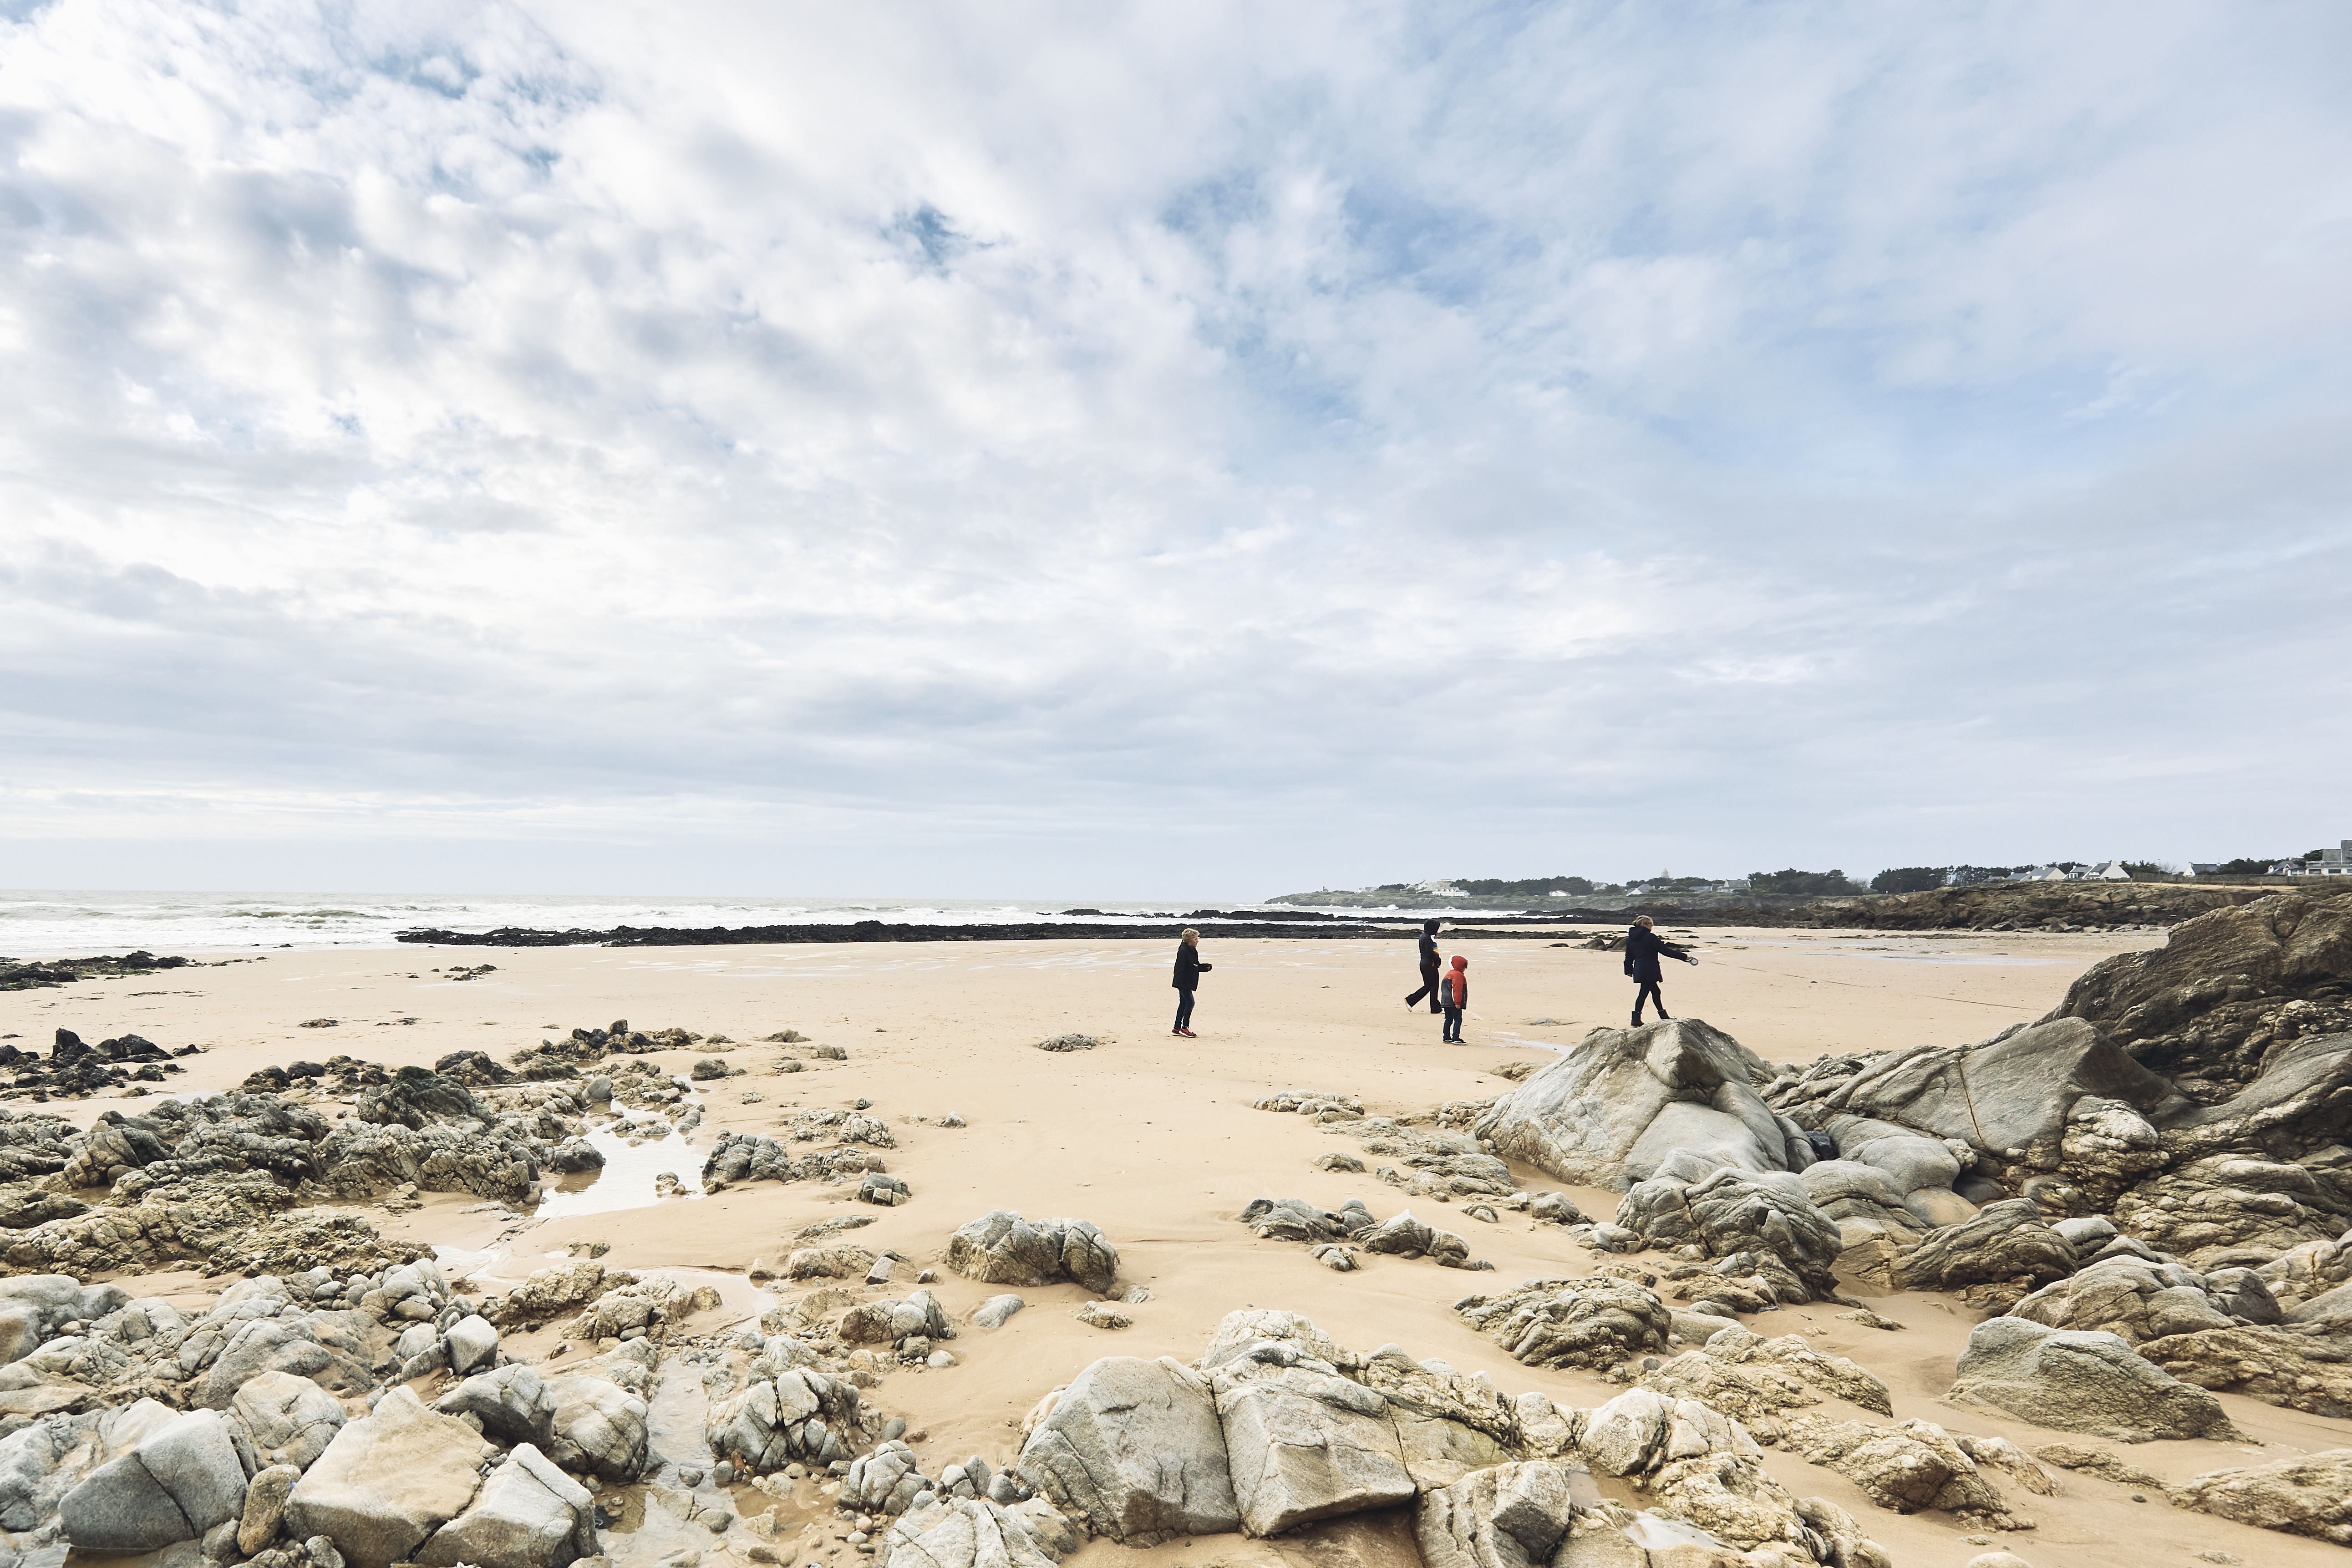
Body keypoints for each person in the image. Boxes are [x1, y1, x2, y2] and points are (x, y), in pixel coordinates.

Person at [1624, 914, 1697, 1025]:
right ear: (1643, 924)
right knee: (1644, 993)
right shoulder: (1650, 937)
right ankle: (1636, 1019)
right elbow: (1666, 951)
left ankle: (1662, 1017)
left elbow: (1629, 957)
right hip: (1650, 968)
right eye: (1650, 924)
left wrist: (1629, 970)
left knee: (1655, 992)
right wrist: (1685, 957)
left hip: (1640, 968)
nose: (1652, 927)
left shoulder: (1631, 939)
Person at [1172, 928, 1212, 1037]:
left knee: (1184, 1003)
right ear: (1189, 940)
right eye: (1195, 939)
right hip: (1183, 982)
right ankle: (1185, 1027)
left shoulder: (1192, 950)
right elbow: (1179, 969)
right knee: (1190, 1003)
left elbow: (1193, 966)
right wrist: (1180, 983)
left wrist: (1205, 968)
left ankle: (1177, 1028)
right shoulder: (1184, 951)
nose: (1197, 941)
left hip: (1187, 981)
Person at [1403, 918, 1444, 1011]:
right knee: (1434, 986)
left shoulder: (1425, 936)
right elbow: (1430, 952)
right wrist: (1438, 960)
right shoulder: (1427, 938)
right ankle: (1435, 1008)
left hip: (1425, 965)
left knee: (1429, 986)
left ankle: (1411, 1001)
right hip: (1429, 965)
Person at [1440, 954, 1469, 1042]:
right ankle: (1456, 1037)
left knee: (1448, 1019)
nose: (1464, 969)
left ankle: (1446, 1037)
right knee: (1458, 1019)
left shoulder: (1449, 974)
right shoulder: (1458, 976)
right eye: (1464, 967)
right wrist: (1457, 1003)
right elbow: (1457, 990)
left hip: (1446, 1002)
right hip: (1453, 1002)